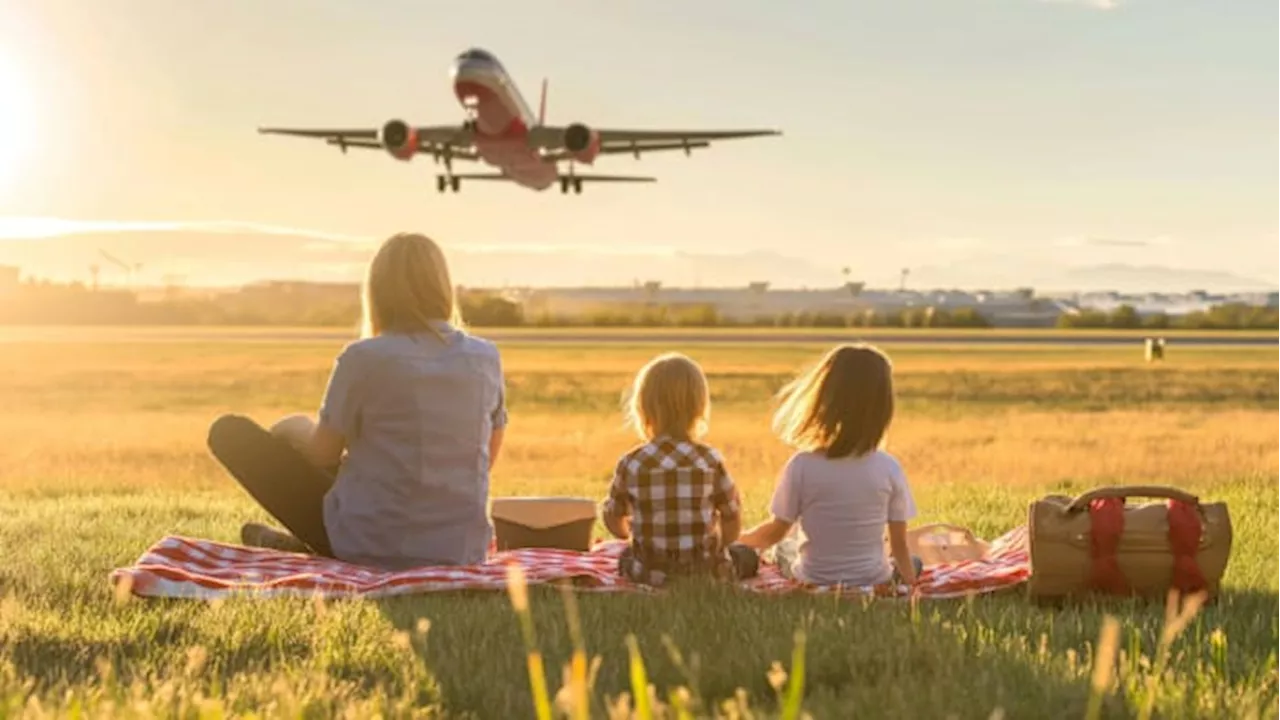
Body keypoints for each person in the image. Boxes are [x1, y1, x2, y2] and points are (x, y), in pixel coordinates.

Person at [206, 232, 508, 570]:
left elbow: (323, 453)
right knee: (359, 472)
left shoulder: (363, 358)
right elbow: (487, 455)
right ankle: (291, 545)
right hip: (460, 549)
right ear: (443, 287)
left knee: (229, 433)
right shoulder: (485, 356)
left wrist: (293, 429)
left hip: (370, 546)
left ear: (377, 292)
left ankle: (304, 546)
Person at [737, 344, 922, 588]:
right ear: (883, 409)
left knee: (784, 548)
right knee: (916, 561)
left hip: (813, 578)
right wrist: (909, 587)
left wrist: (738, 538)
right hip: (874, 578)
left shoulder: (802, 465)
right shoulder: (889, 468)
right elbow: (899, 545)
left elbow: (775, 532)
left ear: (824, 401)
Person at [599, 352, 755, 586]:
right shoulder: (710, 460)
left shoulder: (631, 462)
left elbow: (614, 520)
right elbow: (732, 519)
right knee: (748, 557)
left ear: (643, 409)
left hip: (649, 573)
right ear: (699, 408)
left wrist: (627, 532)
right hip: (705, 573)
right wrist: (722, 545)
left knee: (624, 556)